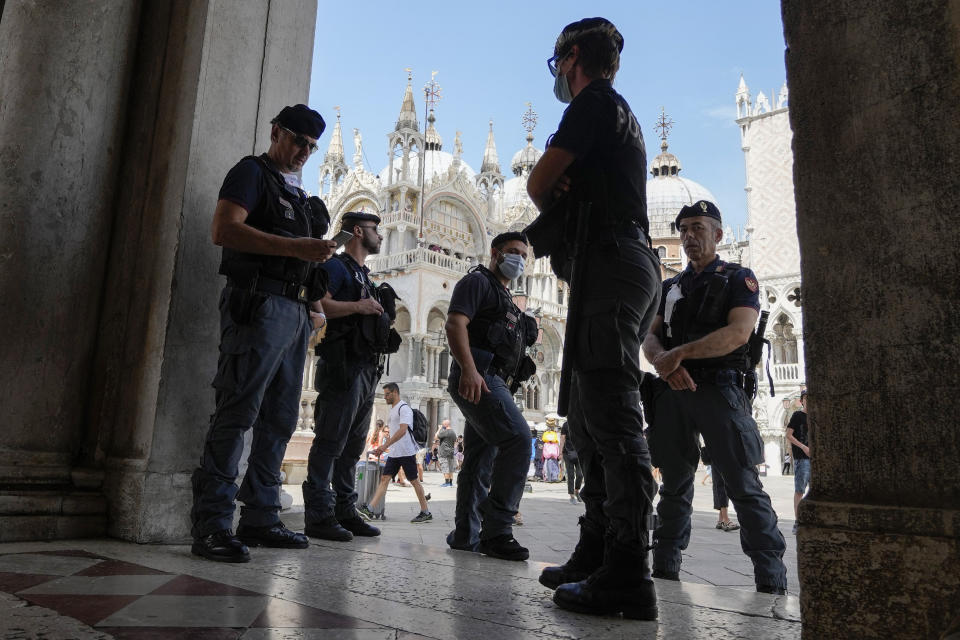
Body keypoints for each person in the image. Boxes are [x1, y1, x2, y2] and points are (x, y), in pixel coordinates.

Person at [526, 18, 661, 619]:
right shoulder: (620, 111)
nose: (558, 73)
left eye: (559, 61)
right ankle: (599, 548)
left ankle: (629, 571)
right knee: (586, 416)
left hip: (611, 258)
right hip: (616, 261)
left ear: (572, 56)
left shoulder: (593, 104)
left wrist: (560, 191)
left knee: (613, 420)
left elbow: (539, 183)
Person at [190, 104, 336, 563]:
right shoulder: (251, 172)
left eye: (311, 148)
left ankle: (261, 516)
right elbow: (224, 229)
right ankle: (212, 525)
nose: (302, 153)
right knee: (237, 412)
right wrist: (297, 247)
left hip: (294, 313)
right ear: (276, 132)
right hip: (258, 307)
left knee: (279, 418)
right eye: (296, 141)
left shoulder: (294, 193)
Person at [642, 199, 788, 595]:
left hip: (721, 390)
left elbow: (739, 333)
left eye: (698, 228)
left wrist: (681, 354)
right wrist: (665, 363)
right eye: (684, 229)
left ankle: (770, 578)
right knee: (673, 483)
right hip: (673, 392)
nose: (689, 236)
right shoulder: (669, 287)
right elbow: (650, 336)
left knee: (742, 482)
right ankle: (665, 568)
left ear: (718, 235)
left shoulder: (738, 278)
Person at [444, 232, 539, 560]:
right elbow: (455, 323)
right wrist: (469, 370)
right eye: (513, 252)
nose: (519, 260)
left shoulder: (506, 297)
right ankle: (497, 529)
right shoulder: (478, 283)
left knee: (478, 460)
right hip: (479, 378)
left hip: (492, 378)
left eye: (524, 255)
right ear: (495, 252)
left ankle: (466, 534)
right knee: (519, 439)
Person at [302, 211, 394, 542]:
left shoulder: (364, 275)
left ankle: (344, 509)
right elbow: (321, 304)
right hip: (342, 365)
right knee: (331, 440)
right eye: (374, 230)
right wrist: (359, 307)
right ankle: (318, 513)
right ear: (357, 231)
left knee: (353, 445)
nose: (380, 236)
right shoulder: (336, 267)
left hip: (367, 368)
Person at [358, 383, 432, 524]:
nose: (385, 397)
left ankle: (425, 512)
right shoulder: (393, 410)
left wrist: (385, 445)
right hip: (395, 452)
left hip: (405, 451)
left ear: (395, 393)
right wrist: (384, 448)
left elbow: (403, 430)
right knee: (385, 478)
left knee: (414, 481)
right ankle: (370, 509)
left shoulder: (404, 409)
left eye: (387, 394)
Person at [786, 390, 810, 534]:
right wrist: (803, 447)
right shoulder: (797, 416)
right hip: (802, 459)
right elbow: (788, 434)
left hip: (816, 459)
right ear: (802, 401)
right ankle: (798, 521)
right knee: (799, 490)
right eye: (806, 398)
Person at [559, 421, 583, 504]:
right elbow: (562, 438)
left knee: (580, 474)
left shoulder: (580, 423)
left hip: (579, 452)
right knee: (571, 474)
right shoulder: (565, 425)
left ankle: (576, 490)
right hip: (567, 453)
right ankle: (572, 496)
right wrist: (560, 452)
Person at [436, 420, 458, 487]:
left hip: (444, 452)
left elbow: (437, 436)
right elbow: (455, 442)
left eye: (443, 425)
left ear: (446, 424)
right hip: (451, 451)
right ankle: (450, 482)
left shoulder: (445, 431)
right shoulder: (453, 432)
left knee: (445, 466)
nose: (442, 426)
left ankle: (447, 483)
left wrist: (439, 428)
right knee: (450, 467)